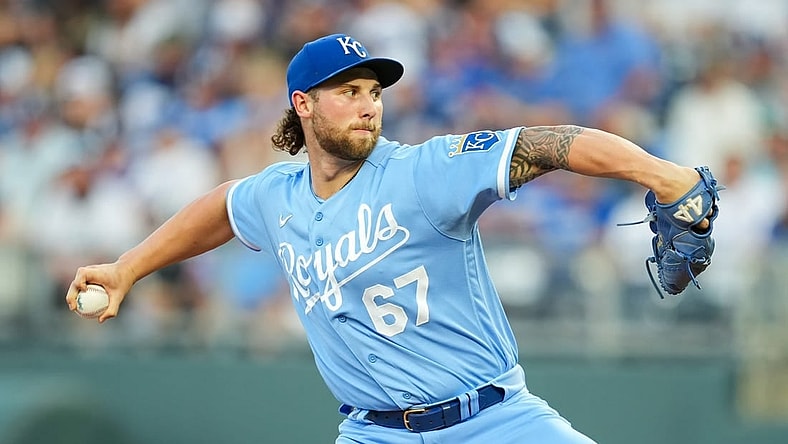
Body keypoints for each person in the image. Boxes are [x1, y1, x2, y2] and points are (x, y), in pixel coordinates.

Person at [66, 34, 712, 443]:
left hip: (493, 422)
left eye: (373, 91)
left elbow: (552, 143)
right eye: (347, 92)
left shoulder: (423, 171)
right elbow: (219, 209)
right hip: (374, 433)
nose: (369, 104)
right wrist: (129, 268)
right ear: (303, 104)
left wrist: (662, 174)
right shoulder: (277, 195)